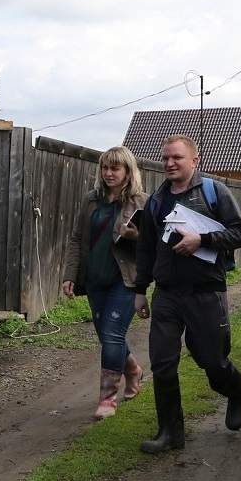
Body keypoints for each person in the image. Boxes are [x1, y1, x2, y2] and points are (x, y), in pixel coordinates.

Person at [132, 134, 241, 453]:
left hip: (206, 292)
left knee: (211, 361)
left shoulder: (214, 192)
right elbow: (146, 248)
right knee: (162, 362)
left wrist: (203, 239)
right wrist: (140, 290)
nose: (169, 163)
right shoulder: (156, 200)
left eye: (177, 158)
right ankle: (170, 433)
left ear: (194, 161)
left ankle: (237, 389)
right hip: (168, 294)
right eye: (165, 158)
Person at [61, 146, 149, 420]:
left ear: (127, 171)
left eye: (115, 168)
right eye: (105, 168)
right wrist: (70, 274)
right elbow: (77, 239)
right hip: (95, 280)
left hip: (125, 282)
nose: (109, 173)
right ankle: (133, 368)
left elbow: (155, 246)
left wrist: (136, 236)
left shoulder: (141, 203)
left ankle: (107, 399)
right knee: (107, 336)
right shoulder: (91, 200)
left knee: (112, 335)